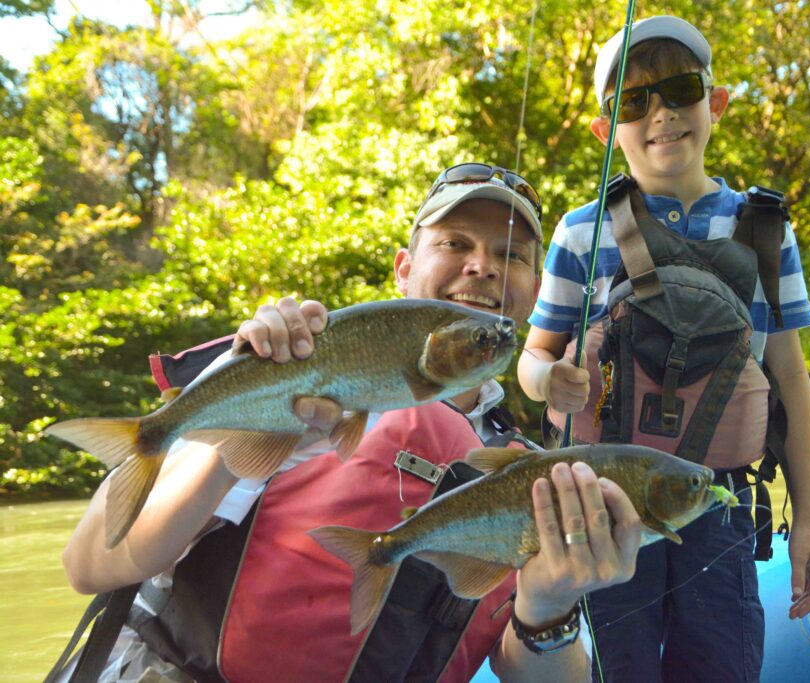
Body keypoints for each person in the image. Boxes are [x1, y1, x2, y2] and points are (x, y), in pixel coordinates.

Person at [60, 163, 645, 683]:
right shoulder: (284, 361)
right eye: (455, 242)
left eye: (510, 254)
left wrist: (550, 605)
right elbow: (87, 565)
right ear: (404, 268)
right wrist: (237, 442)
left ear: (536, 290)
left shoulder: (523, 466)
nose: (482, 267)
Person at [516, 16, 810, 682]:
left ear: (714, 105)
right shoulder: (579, 232)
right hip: (603, 508)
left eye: (680, 90)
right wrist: (550, 380)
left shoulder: (766, 229)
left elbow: (789, 380)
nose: (661, 114)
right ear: (608, 133)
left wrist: (809, 521)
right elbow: (531, 358)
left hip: (723, 506)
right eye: (634, 101)